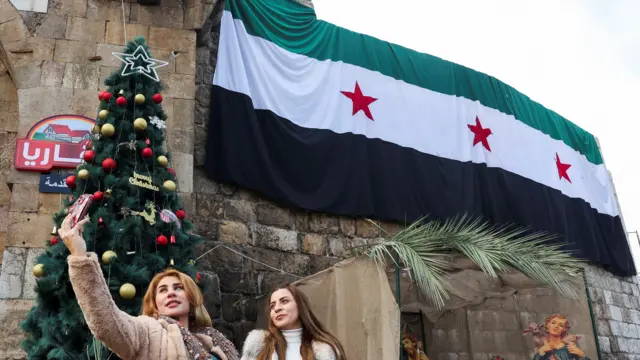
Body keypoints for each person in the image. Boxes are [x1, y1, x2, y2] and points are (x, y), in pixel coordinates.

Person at [59, 214, 239, 360]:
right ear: (154, 303)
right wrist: (79, 256)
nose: (170, 293)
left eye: (178, 288)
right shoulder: (145, 331)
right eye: (162, 290)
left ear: (191, 297)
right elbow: (106, 321)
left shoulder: (213, 340)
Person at [240, 284, 347, 360]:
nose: (277, 308)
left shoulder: (326, 348)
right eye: (272, 306)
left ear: (300, 306)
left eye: (284, 301)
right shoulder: (258, 345)